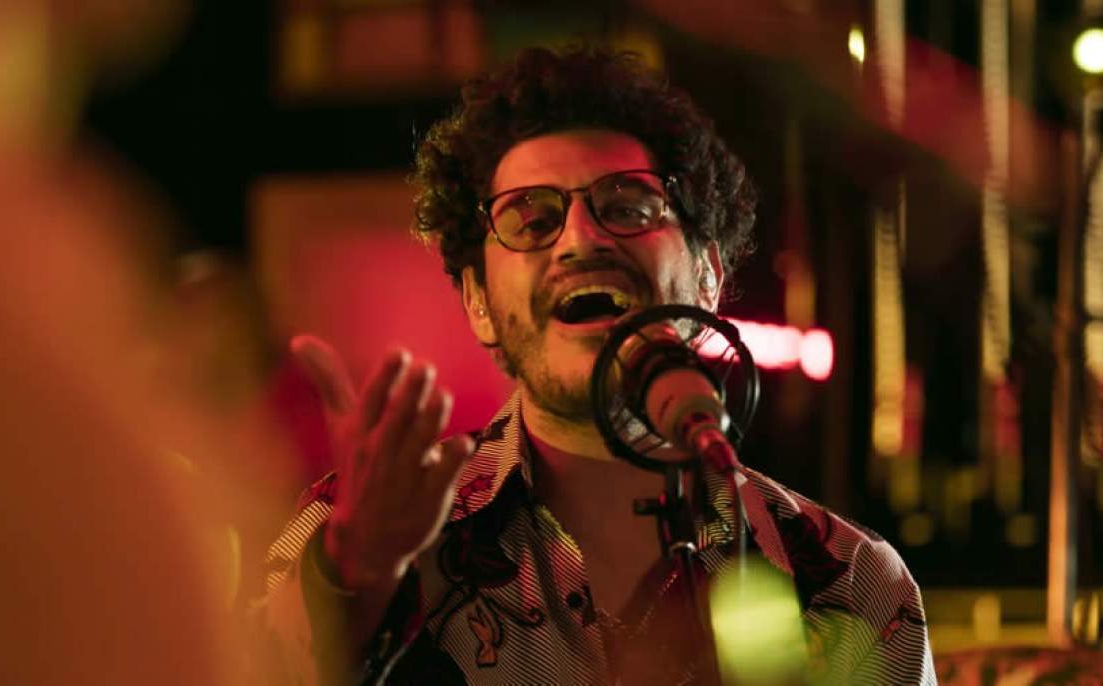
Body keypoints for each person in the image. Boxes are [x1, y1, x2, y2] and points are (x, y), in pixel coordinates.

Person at [256, 46, 936, 685]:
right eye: (531, 220)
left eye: (627, 207)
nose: (581, 239)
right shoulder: (349, 533)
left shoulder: (848, 581)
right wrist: (354, 581)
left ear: (707, 276)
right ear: (480, 304)